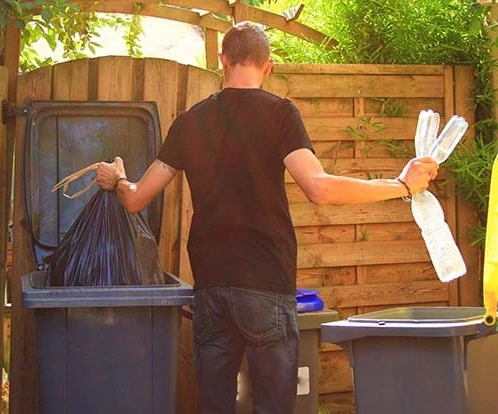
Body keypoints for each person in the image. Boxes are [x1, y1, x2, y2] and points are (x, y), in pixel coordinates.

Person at [96, 21, 438, 414]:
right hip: (265, 284)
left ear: (221, 60)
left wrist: (118, 178)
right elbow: (320, 188)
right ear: (268, 66)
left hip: (211, 287)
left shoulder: (190, 121)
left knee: (214, 405)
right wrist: (401, 185)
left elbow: (137, 198)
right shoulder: (280, 114)